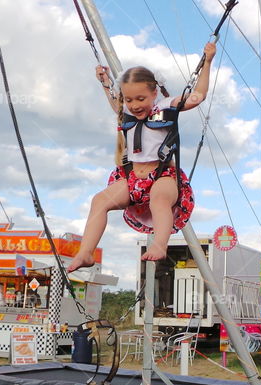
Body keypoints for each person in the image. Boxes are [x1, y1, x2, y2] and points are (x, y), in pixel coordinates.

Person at [67, 42, 216, 271]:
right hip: (132, 178)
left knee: (159, 199)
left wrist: (207, 62)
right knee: (99, 201)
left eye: (141, 99)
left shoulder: (165, 106)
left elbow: (197, 96)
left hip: (163, 175)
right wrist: (105, 82)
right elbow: (114, 102)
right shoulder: (124, 111)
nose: (134, 105)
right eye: (129, 100)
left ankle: (159, 245)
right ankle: (86, 253)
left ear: (154, 93)